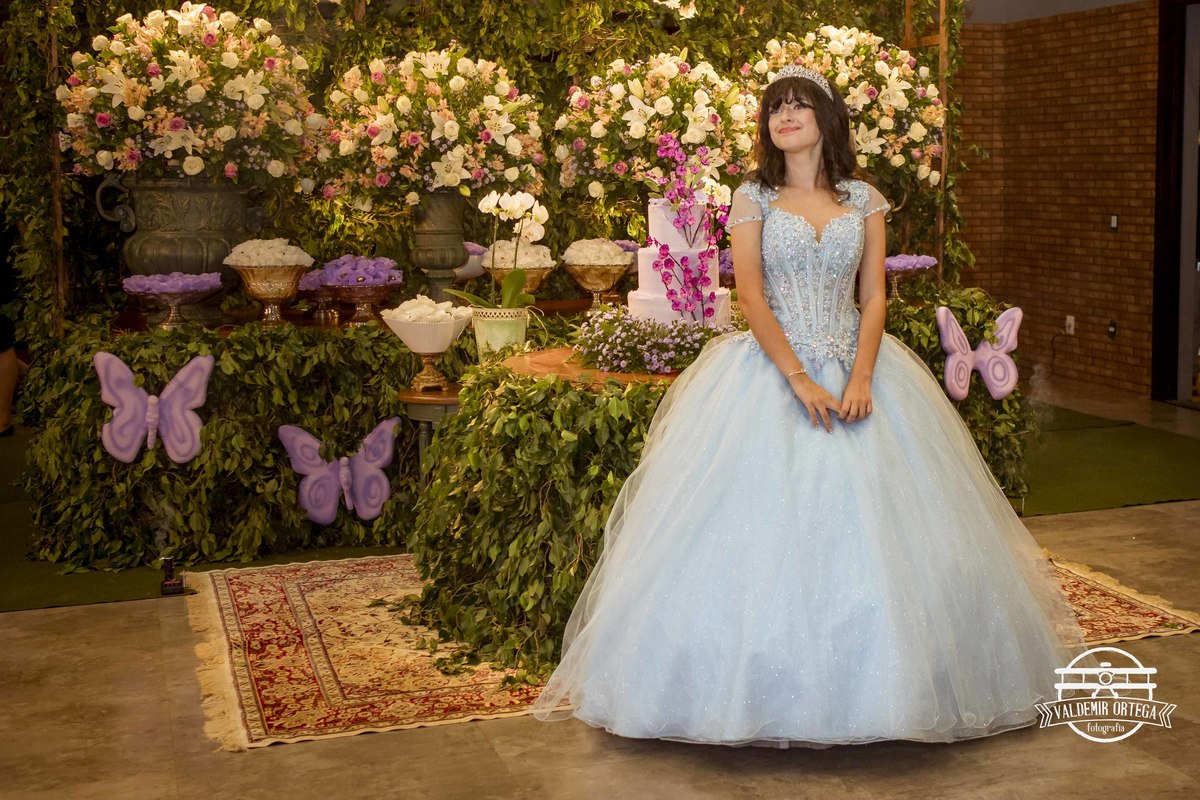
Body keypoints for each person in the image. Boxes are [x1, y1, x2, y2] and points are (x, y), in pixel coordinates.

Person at [531, 65, 1092, 746]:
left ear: (828, 119)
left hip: (860, 368)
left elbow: (874, 296)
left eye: (799, 105)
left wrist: (861, 377)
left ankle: (897, 692)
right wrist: (799, 379)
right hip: (772, 373)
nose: (785, 116)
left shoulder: (865, 199)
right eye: (775, 108)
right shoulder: (752, 198)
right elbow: (750, 296)